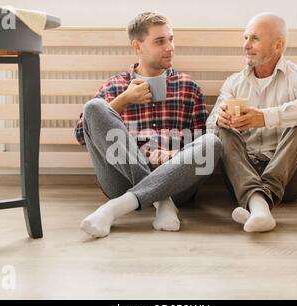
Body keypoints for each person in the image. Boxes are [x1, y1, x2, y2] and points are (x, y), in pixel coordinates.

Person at [75, 12, 222, 238]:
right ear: (138, 45)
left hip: (177, 184)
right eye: (160, 41)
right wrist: (124, 100)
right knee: (94, 107)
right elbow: (82, 134)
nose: (170, 47)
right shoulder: (115, 86)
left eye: (171, 39)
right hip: (122, 181)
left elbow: (199, 142)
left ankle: (114, 209)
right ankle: (162, 202)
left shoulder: (189, 87)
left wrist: (174, 154)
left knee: (212, 142)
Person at [206, 12, 297, 233]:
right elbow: (210, 125)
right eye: (245, 38)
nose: (246, 45)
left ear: (277, 46)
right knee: (221, 129)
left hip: (288, 179)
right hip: (243, 174)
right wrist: (220, 119)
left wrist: (265, 117)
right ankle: (260, 208)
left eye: (255, 38)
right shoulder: (234, 83)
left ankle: (256, 203)